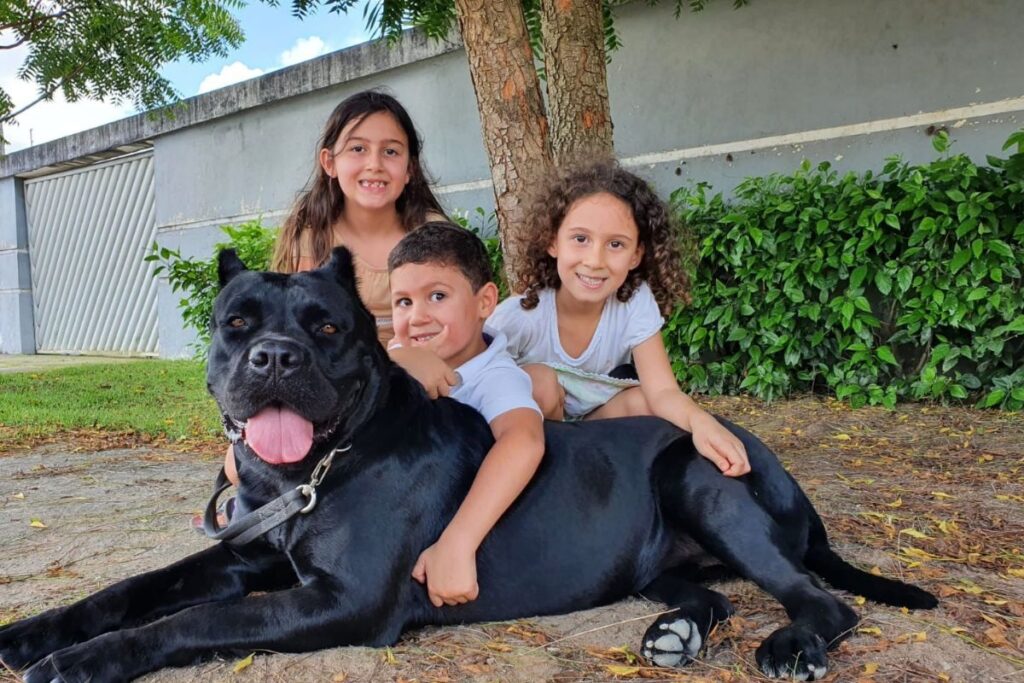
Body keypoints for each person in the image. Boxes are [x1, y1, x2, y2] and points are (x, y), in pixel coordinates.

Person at [195, 89, 451, 529]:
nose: (374, 164)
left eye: (391, 151)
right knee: (241, 464)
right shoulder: (308, 236)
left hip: (424, 372)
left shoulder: (431, 236)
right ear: (329, 162)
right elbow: (289, 322)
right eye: (358, 149)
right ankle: (279, 511)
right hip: (333, 377)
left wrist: (410, 358)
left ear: (409, 169)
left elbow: (455, 319)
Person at [488, 160, 751, 477]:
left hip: (592, 426)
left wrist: (702, 422)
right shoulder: (519, 315)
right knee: (540, 383)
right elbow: (478, 388)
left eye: (615, 244)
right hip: (535, 433)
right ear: (552, 241)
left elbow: (662, 391)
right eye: (580, 239)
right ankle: (554, 479)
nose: (595, 261)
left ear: (636, 255)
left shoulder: (634, 301)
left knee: (645, 402)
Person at [387, 221, 545, 607]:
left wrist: (459, 541)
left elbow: (523, 441)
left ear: (485, 302)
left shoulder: (495, 376)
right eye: (403, 302)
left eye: (437, 296)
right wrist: (395, 361)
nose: (417, 317)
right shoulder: (399, 353)